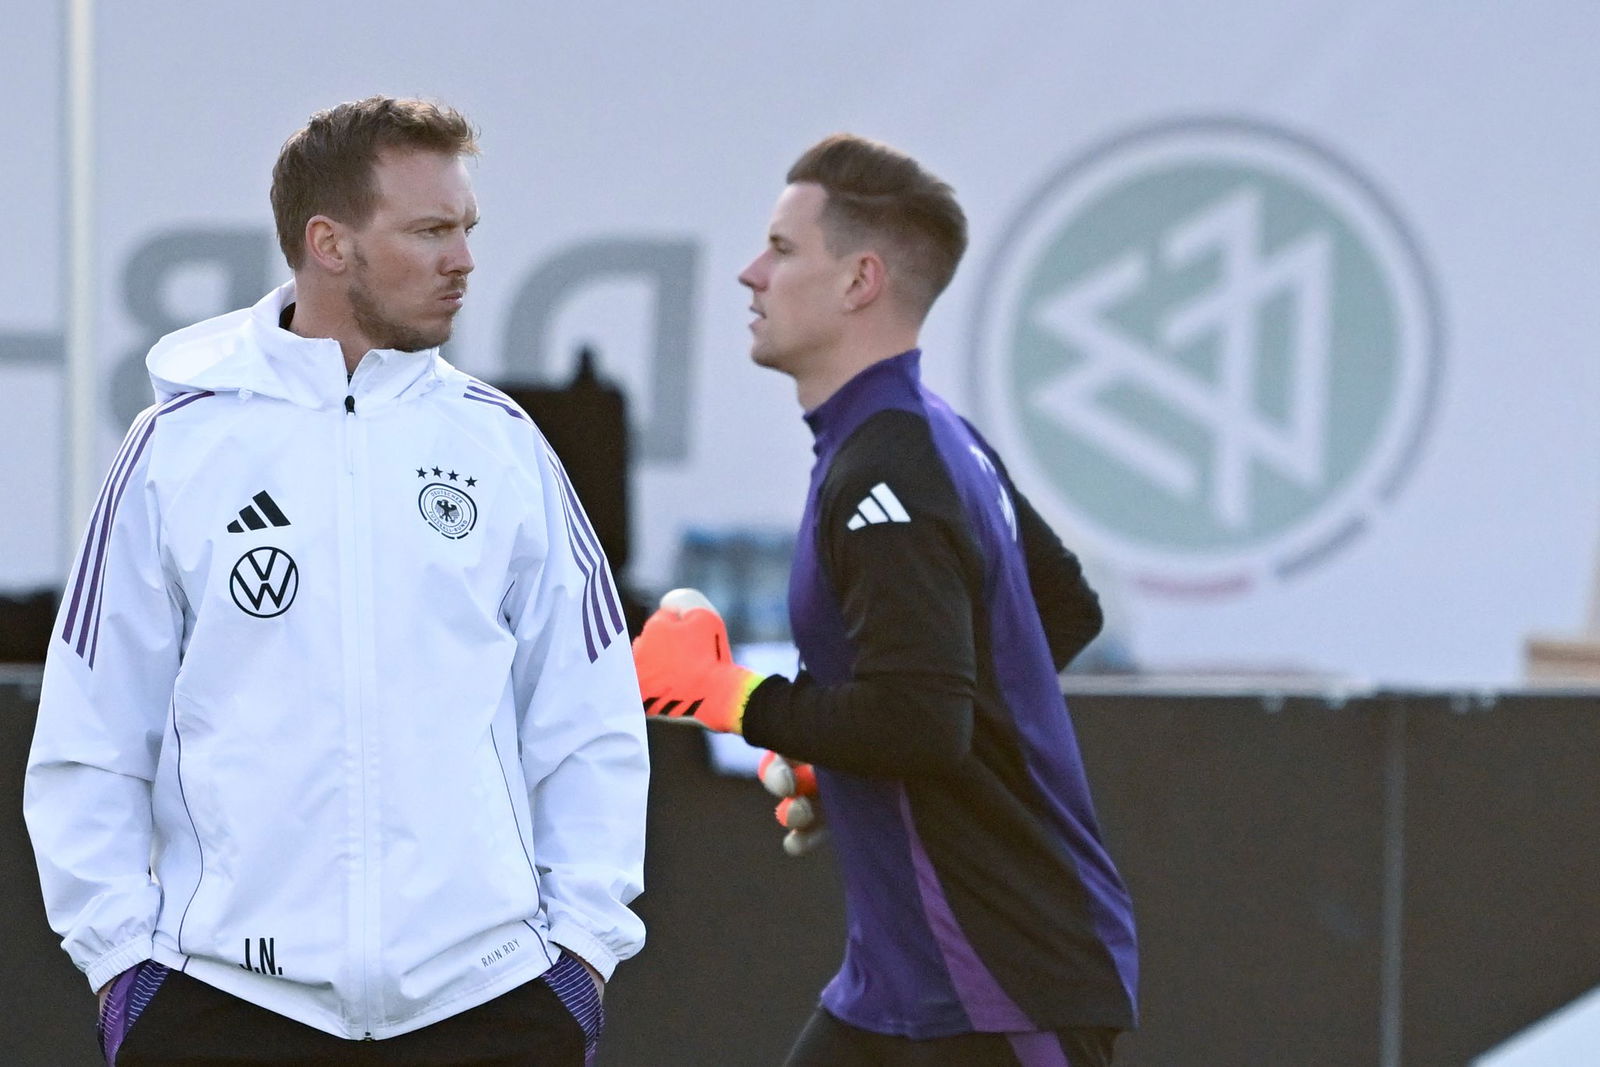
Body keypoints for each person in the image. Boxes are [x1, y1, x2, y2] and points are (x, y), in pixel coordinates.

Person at [24, 96, 648, 1066]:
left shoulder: (503, 447)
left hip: (487, 1004)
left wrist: (581, 953)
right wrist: (121, 970)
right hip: (222, 1004)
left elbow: (592, 717)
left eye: (467, 229)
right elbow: (90, 733)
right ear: (330, 242)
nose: (465, 260)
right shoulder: (177, 447)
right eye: (431, 229)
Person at [632, 134, 1137, 1065]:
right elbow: (1056, 613)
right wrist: (847, 759)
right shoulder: (925, 436)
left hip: (1000, 982)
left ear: (861, 280)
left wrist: (735, 697)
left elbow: (923, 717)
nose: (750, 274)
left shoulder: (890, 462)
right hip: (906, 984)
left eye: (782, 250)